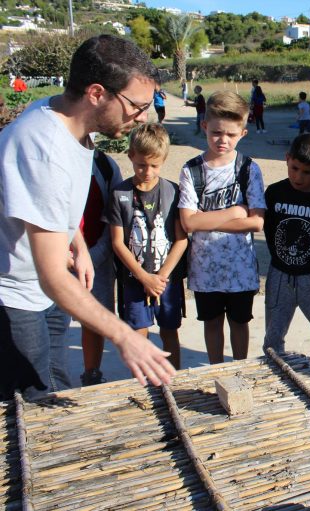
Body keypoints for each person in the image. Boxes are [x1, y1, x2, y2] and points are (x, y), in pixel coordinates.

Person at [0, 34, 176, 401]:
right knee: (36, 406)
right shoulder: (44, 149)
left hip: (41, 292)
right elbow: (51, 276)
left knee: (60, 383)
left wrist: (76, 243)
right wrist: (125, 336)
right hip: (16, 299)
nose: (142, 117)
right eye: (135, 105)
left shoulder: (70, 126)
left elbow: (53, 206)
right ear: (97, 93)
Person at [178, 90, 266, 364]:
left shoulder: (249, 169)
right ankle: (215, 370)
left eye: (230, 134)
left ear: (243, 132)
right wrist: (234, 212)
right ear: (204, 126)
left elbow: (257, 222)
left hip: (240, 270)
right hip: (205, 271)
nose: (223, 140)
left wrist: (209, 220)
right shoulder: (191, 170)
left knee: (240, 323)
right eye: (216, 132)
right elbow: (189, 222)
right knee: (212, 323)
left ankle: (240, 369)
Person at [109, 123, 187, 370]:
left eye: (154, 165)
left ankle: (173, 378)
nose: (147, 171)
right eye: (141, 164)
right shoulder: (119, 194)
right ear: (131, 155)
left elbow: (181, 239)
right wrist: (144, 278)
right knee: (138, 332)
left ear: (163, 160)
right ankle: (144, 381)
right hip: (134, 279)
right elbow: (117, 243)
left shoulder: (173, 191)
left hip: (167, 280)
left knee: (169, 331)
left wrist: (160, 278)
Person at [263, 134, 310, 378]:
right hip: (280, 274)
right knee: (274, 331)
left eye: (307, 172)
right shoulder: (273, 193)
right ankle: (274, 369)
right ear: (287, 159)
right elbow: (266, 229)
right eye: (294, 168)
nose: (298, 176)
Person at [80, 150, 122, 386]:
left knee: (94, 318)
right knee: (51, 327)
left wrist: (94, 255)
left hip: (98, 255)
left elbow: (114, 216)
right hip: (55, 258)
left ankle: (91, 373)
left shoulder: (105, 165)